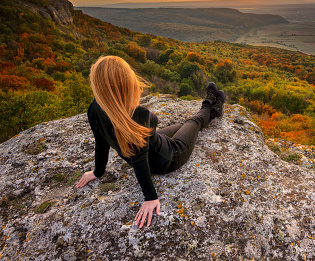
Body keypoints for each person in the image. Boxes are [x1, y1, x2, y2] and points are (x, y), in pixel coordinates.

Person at [76, 56, 225, 228]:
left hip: (153, 144)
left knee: (182, 125)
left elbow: (100, 142)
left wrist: (97, 172)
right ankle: (211, 107)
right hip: (169, 157)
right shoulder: (138, 114)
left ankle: (212, 109)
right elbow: (140, 160)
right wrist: (150, 197)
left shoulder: (95, 108)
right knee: (193, 123)